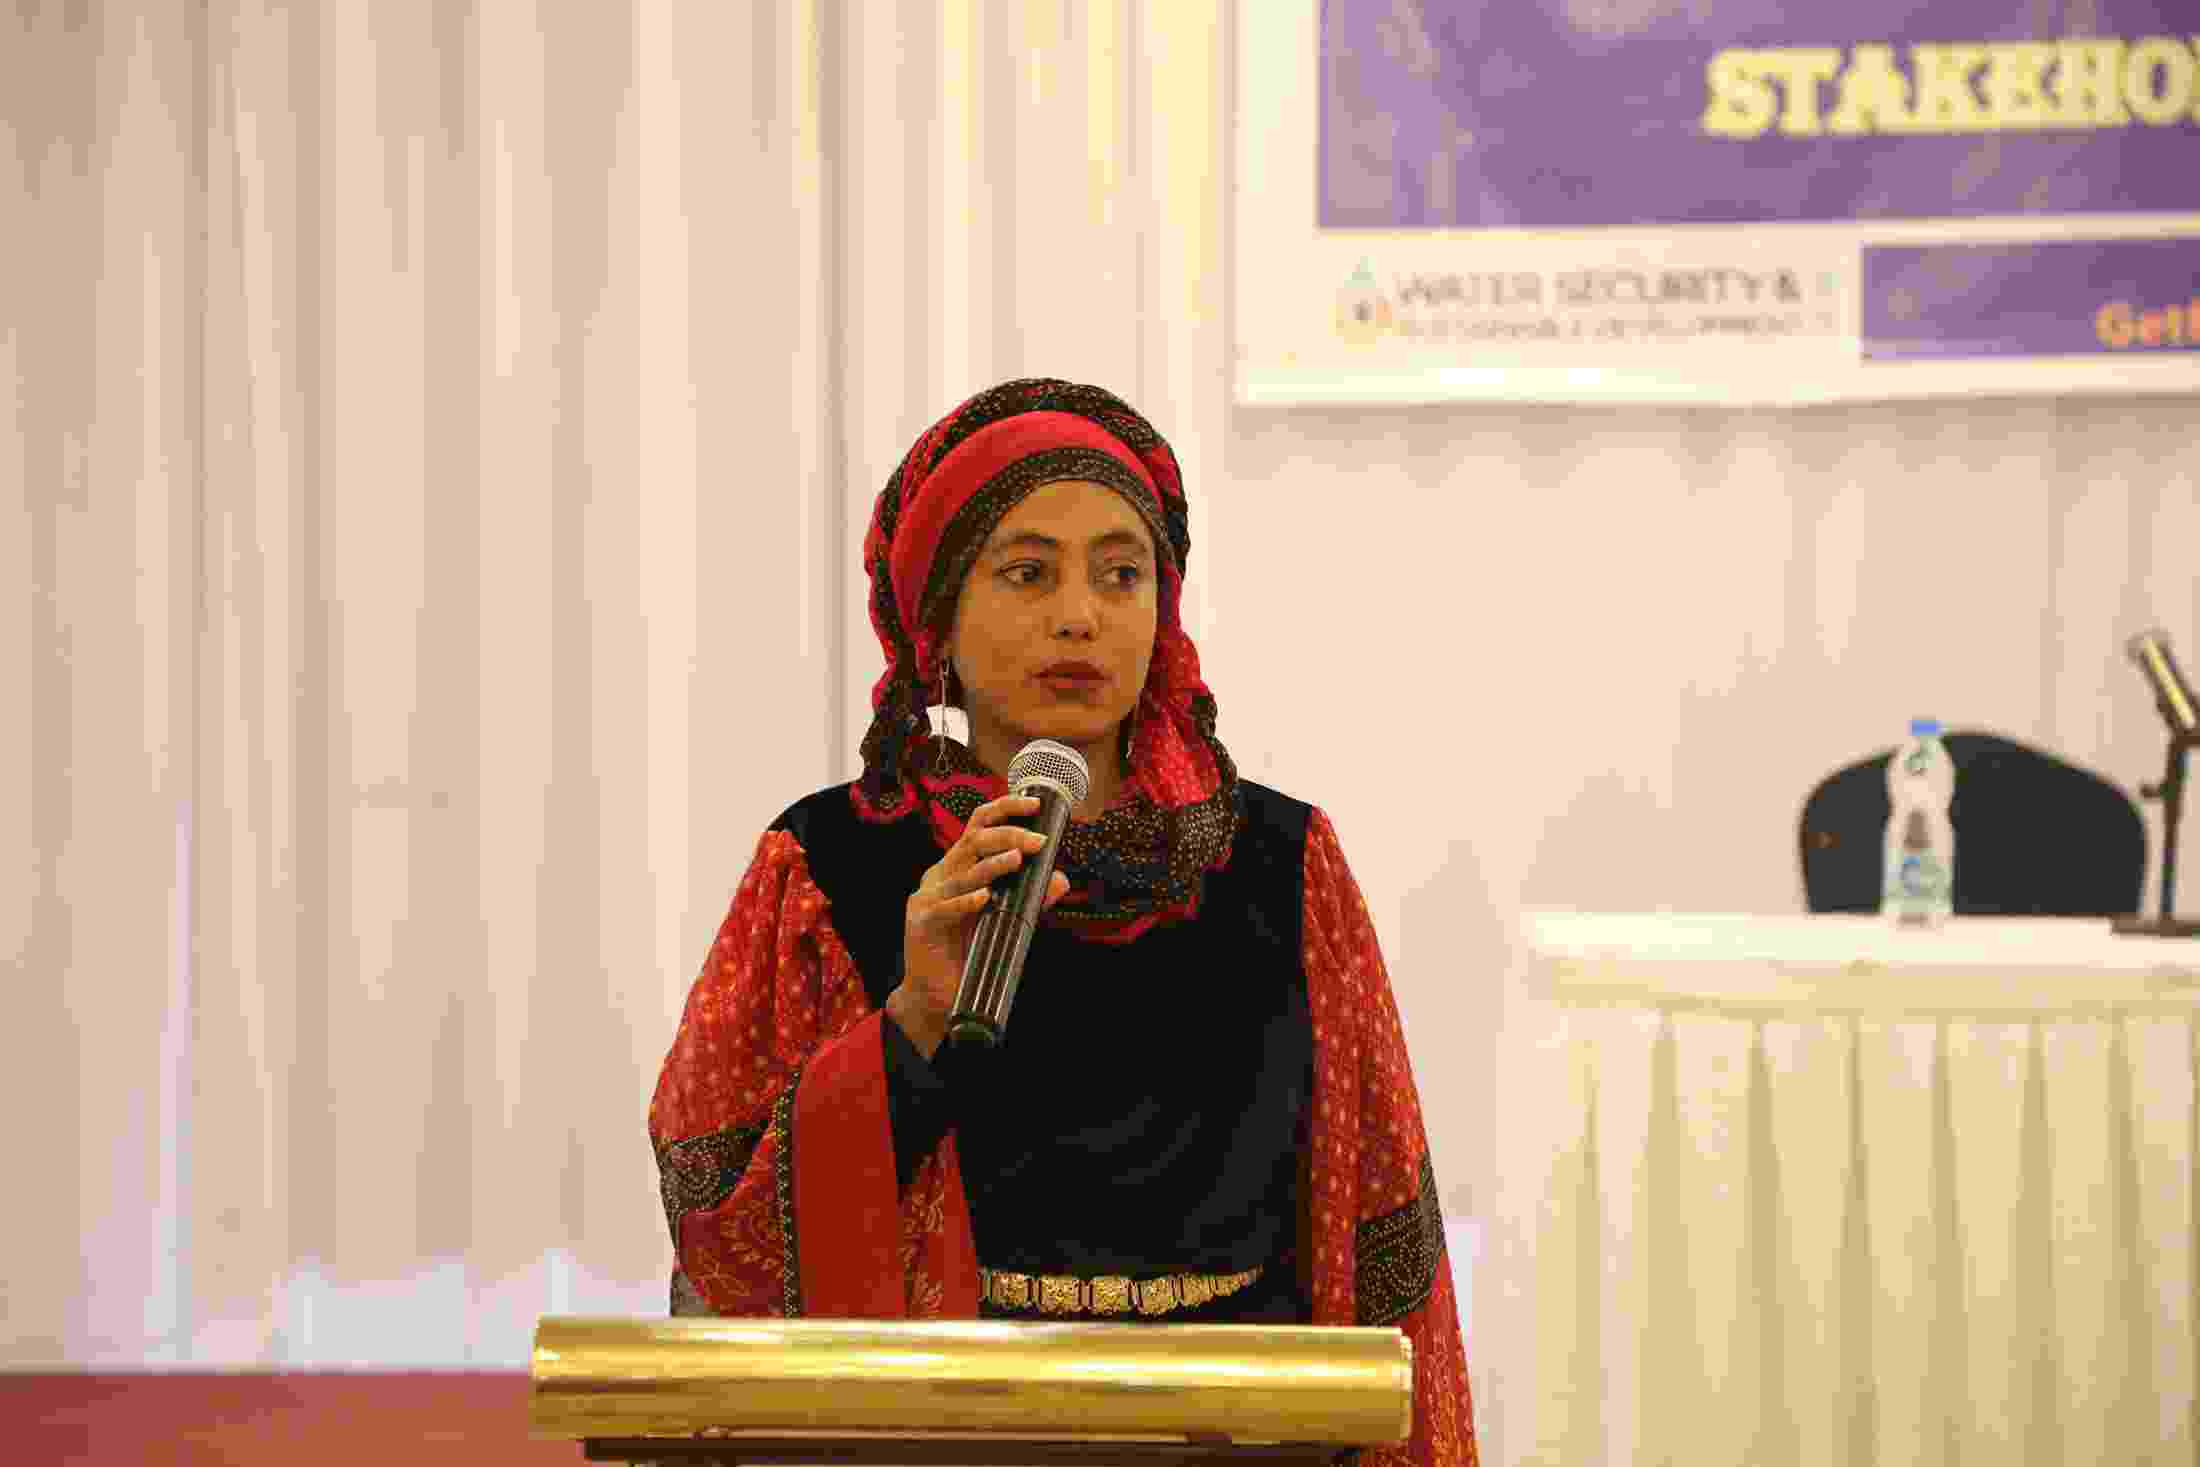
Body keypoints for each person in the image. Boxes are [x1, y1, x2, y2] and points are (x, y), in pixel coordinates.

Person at [648, 379, 1477, 1467]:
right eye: (1027, 572)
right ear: (938, 614)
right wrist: (912, 1025)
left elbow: (1378, 1212)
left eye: (1121, 573)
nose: (1080, 613)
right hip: (947, 1431)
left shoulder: (1280, 859)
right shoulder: (832, 862)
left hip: (1242, 1430)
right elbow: (720, 1213)